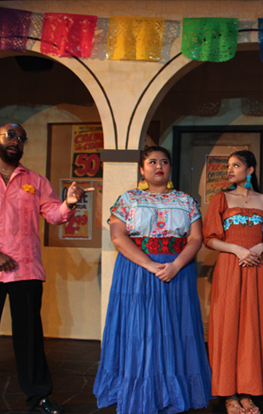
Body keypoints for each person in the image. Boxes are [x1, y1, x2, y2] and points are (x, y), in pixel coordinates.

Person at [0, 123, 91, 414]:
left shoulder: (36, 181)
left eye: (21, 138)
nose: (16, 141)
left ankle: (38, 397)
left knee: (29, 338)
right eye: (10, 135)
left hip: (25, 268)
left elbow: (54, 215)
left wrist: (68, 203)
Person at [93, 146, 212, 414]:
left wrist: (176, 265)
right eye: (152, 161)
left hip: (177, 271)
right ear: (142, 168)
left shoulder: (186, 201)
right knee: (141, 330)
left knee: (174, 327)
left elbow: (196, 239)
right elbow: (118, 236)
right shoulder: (128, 199)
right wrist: (149, 264)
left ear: (170, 168)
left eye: (164, 162)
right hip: (137, 271)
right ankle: (140, 390)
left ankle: (173, 389)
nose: (159, 166)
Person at [203, 150, 263, 414]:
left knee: (254, 324)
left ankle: (249, 391)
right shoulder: (221, 198)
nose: (230, 170)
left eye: (236, 165)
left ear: (250, 170)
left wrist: (260, 247)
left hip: (257, 268)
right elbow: (209, 238)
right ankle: (229, 394)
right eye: (229, 166)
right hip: (230, 266)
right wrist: (237, 250)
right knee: (228, 325)